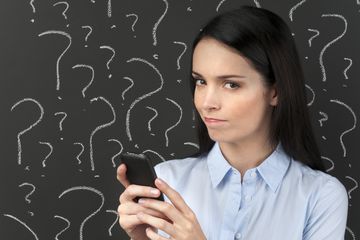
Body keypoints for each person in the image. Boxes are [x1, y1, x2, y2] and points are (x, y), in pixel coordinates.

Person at [117, 5, 348, 240]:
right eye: (200, 81)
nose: (207, 103)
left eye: (231, 84)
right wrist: (142, 237)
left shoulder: (320, 196)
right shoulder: (167, 181)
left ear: (275, 92)